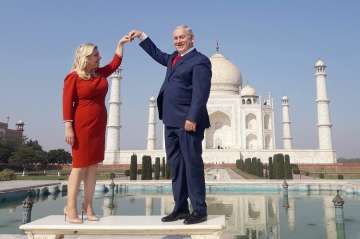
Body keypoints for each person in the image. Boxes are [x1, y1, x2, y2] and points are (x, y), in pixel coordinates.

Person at [129, 25, 212, 224]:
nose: (178, 41)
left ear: (192, 38)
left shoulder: (200, 61)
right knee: (176, 166)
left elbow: (201, 93)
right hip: (170, 121)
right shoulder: (174, 58)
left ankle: (199, 210)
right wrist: (142, 36)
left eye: (182, 37)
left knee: (192, 165)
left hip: (188, 122)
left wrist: (192, 117)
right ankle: (181, 207)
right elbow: (157, 54)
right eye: (175, 38)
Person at [62, 35, 131, 223]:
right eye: (96, 55)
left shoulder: (99, 74)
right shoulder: (73, 77)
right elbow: (67, 102)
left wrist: (120, 44)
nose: (99, 57)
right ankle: (70, 208)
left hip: (99, 122)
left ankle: (88, 205)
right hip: (81, 124)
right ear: (86, 57)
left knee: (93, 166)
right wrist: (68, 126)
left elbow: (115, 63)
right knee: (78, 167)